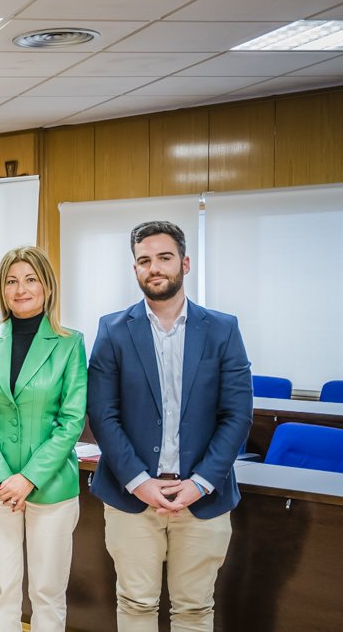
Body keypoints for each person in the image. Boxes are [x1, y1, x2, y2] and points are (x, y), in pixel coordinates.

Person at [87, 220, 252, 632]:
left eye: (164, 257)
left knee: (195, 609)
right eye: (144, 260)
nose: (154, 267)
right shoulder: (112, 329)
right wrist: (139, 480)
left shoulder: (222, 329)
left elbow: (237, 415)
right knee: (136, 603)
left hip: (202, 498)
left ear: (185, 263)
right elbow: (102, 415)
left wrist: (200, 482)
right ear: (135, 269)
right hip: (132, 497)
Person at [0, 246, 87, 632]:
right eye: (12, 281)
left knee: (48, 594)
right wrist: (3, 478)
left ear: (46, 286)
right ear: (2, 290)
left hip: (50, 488)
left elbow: (71, 421)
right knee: (2, 590)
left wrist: (28, 477)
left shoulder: (70, 343)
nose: (21, 289)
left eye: (30, 279)